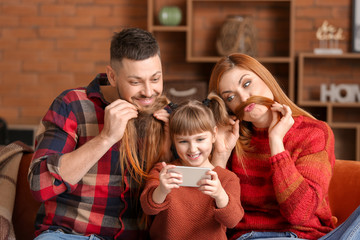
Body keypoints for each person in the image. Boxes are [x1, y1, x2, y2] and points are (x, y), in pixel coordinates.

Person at [28, 27, 172, 240]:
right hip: (69, 235)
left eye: (155, 79)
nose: (149, 92)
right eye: (135, 82)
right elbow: (40, 186)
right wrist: (105, 138)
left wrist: (171, 149)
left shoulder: (168, 116)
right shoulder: (72, 105)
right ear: (112, 76)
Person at [208, 53, 360, 240]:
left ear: (265, 78)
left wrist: (276, 142)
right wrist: (220, 154)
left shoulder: (314, 132)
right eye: (230, 97)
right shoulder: (233, 141)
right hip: (253, 237)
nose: (244, 97)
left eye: (247, 84)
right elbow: (210, 214)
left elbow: (299, 214)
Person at [140, 93, 244, 240]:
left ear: (214, 134)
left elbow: (233, 221)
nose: (192, 149)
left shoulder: (227, 178)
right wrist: (162, 190)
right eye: (183, 141)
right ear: (173, 140)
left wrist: (220, 195)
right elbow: (148, 208)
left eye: (200, 139)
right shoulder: (163, 171)